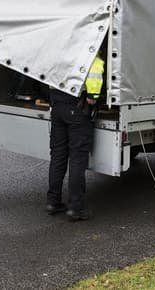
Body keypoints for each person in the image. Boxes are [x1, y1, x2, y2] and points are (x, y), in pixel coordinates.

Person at [46, 49, 105, 222]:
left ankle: (53, 202)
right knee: (78, 159)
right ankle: (75, 208)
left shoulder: (59, 49)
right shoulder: (87, 46)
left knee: (57, 156)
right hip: (77, 106)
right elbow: (95, 71)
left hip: (57, 106)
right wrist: (93, 97)